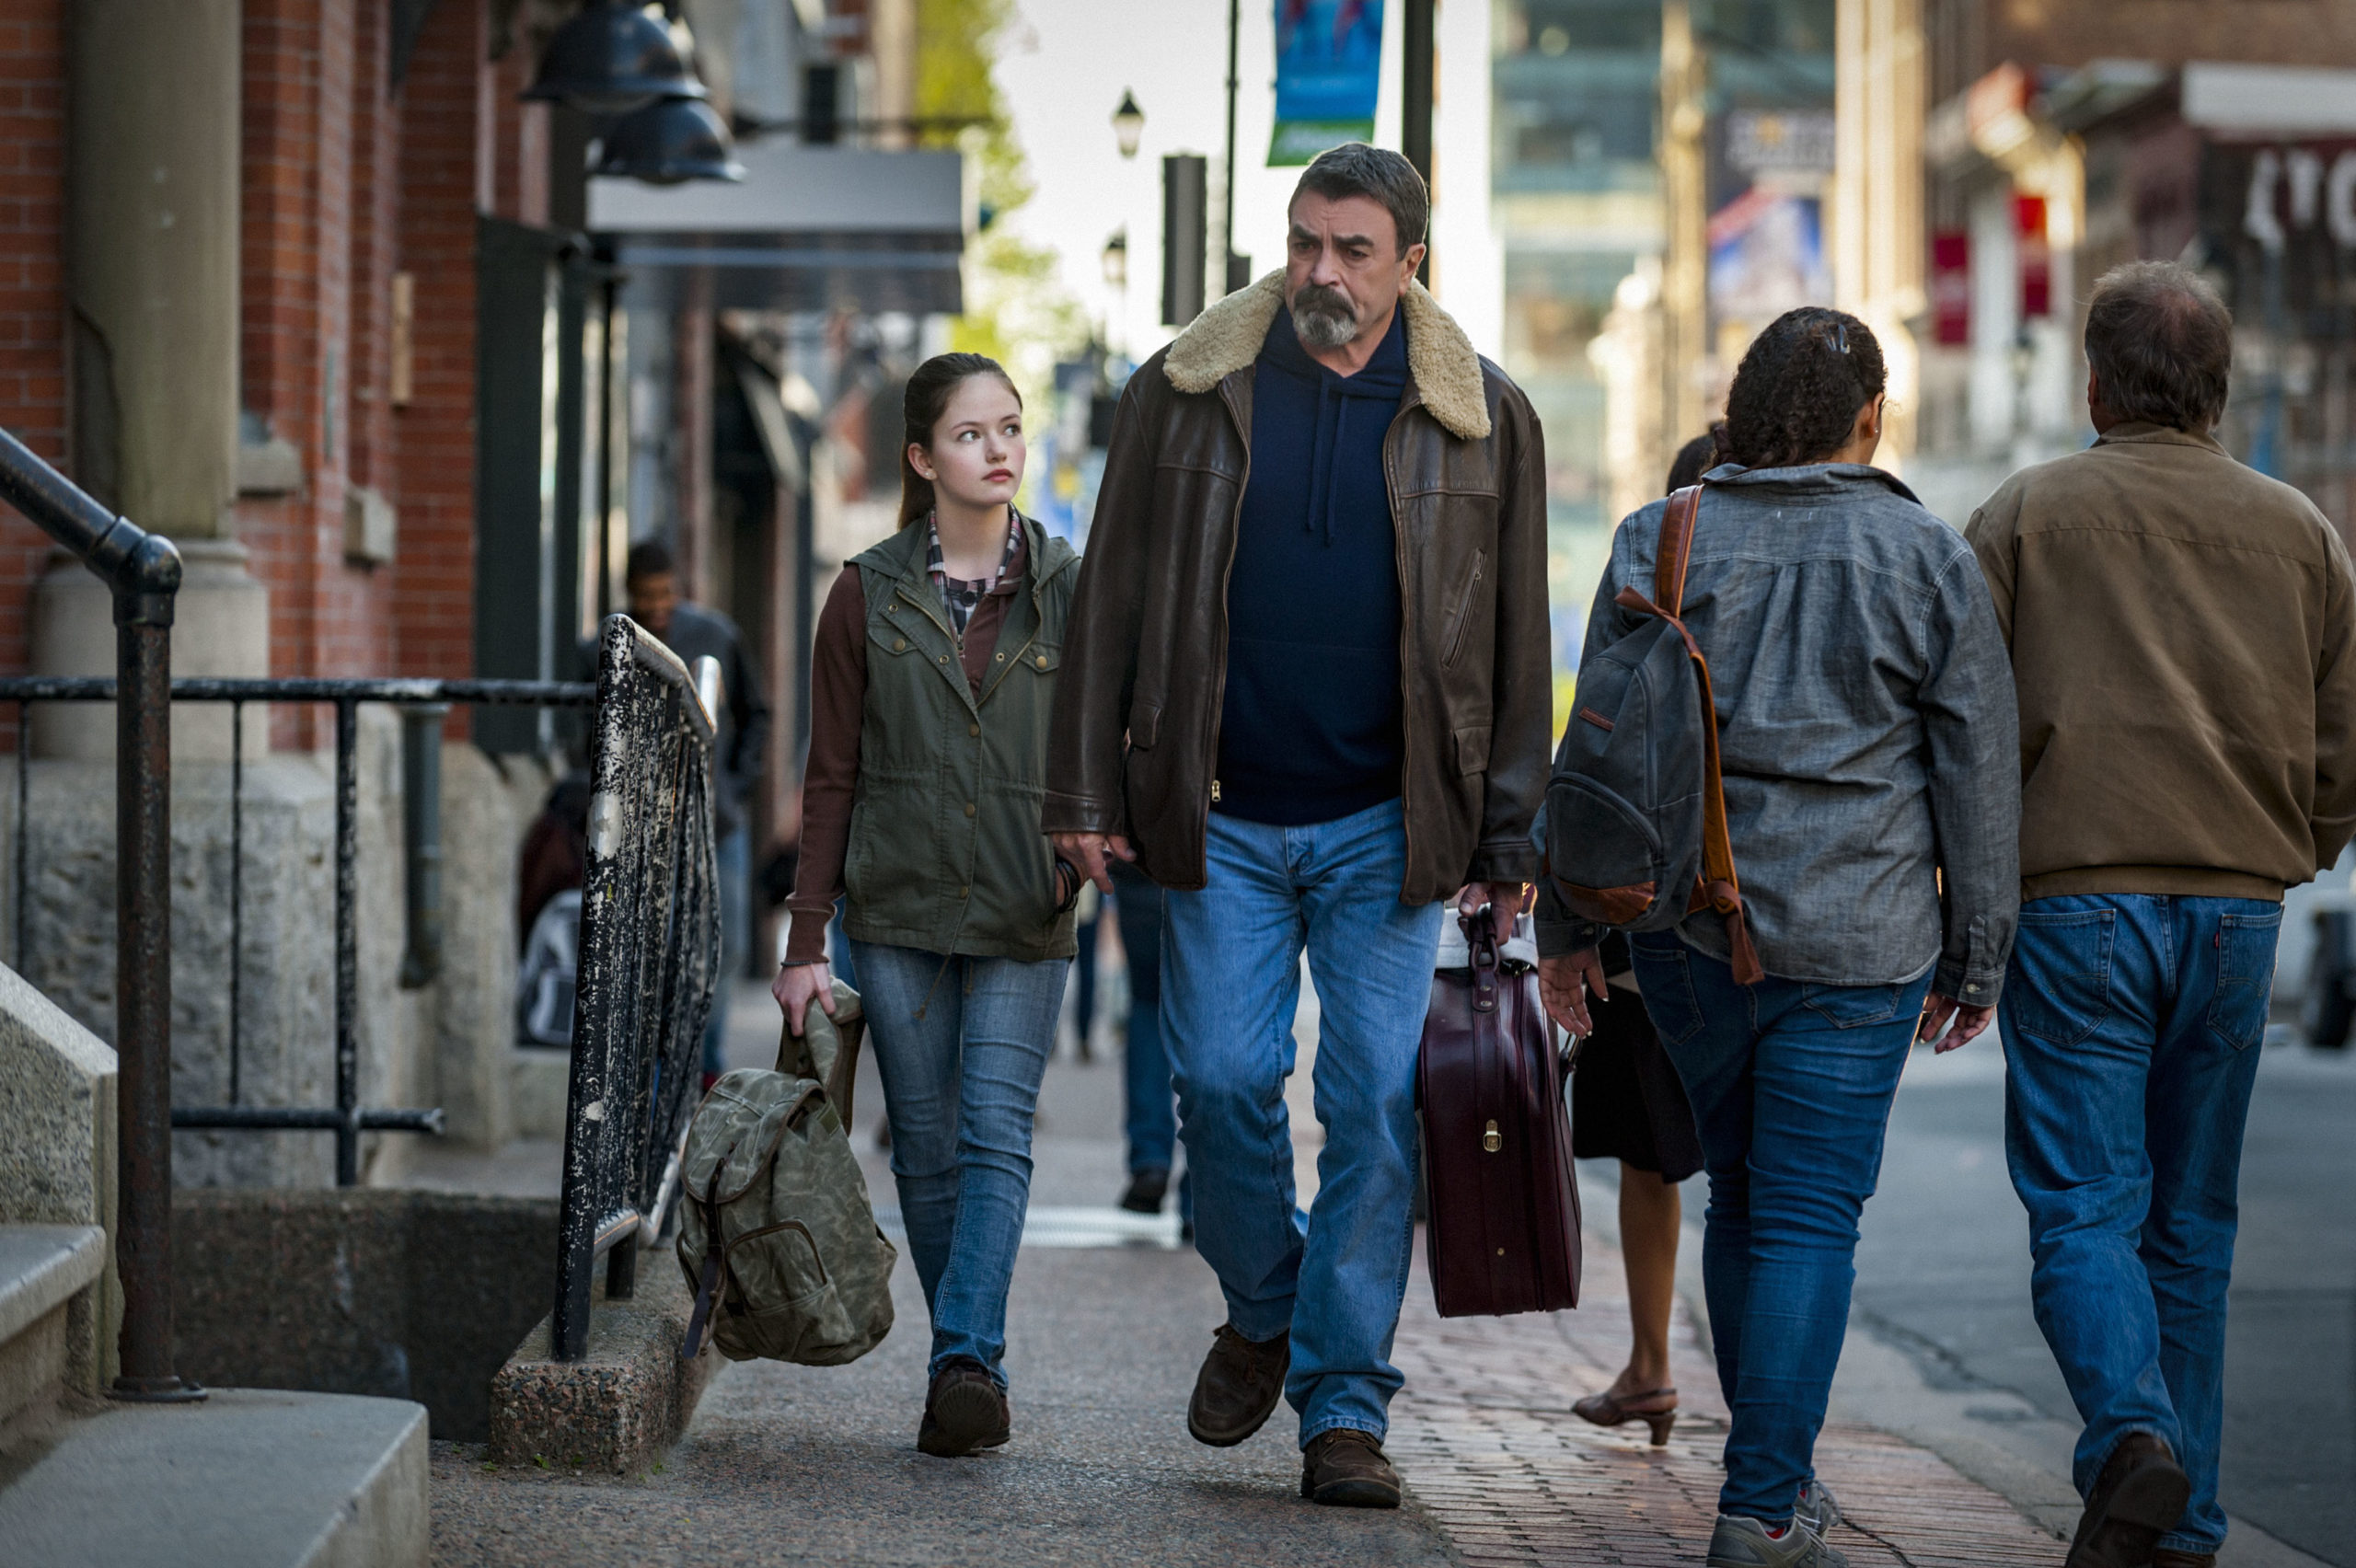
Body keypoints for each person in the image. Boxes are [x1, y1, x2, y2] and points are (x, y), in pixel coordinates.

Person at [1045, 143, 1552, 1509]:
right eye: (1306, 242)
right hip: (1218, 816)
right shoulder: (1184, 393)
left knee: (1378, 1109)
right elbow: (1110, 602)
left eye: (1353, 251)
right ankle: (1266, 1304)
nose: (1321, 272)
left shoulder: (1485, 416)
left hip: (1391, 824)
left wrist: (1509, 844)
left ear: (1412, 266)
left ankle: (1343, 1406)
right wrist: (1084, 794)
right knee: (1217, 1082)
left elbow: (1513, 647)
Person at [1536, 306, 2020, 1568]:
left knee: (1748, 1202)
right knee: (1806, 1216)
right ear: (1871, 422)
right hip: (1862, 944)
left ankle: (1776, 1483)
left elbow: (1596, 757)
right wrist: (1981, 954)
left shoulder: (1662, 532)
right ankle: (1758, 1508)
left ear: (1745, 415)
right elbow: (1975, 774)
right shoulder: (1926, 555)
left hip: (1693, 937)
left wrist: (1569, 931)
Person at [1964, 262, 2356, 1568]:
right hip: (2241, 914)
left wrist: (1975, 903)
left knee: (2085, 1205)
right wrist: (2291, 851)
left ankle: (2132, 1437)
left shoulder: (2026, 514)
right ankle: (2180, 1523)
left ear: (2092, 383)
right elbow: (2343, 745)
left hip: (2078, 904)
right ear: (2220, 391)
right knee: (2192, 1225)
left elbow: (1963, 732)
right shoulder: (2302, 533)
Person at [773, 352, 1081, 1459]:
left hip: (1020, 904)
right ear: (920, 457)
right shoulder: (864, 591)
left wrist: (1083, 840)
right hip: (894, 909)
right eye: (970, 434)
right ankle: (966, 1357)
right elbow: (831, 776)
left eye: (1009, 428)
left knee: (995, 1132)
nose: (999, 450)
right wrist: (805, 941)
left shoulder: (1068, 585)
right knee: (927, 1147)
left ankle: (966, 1361)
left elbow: (1104, 739)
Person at [1567, 429, 1716, 1450]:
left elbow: (1590, 761)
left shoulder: (1645, 574)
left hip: (1644, 921)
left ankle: (1654, 1366)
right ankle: (1745, 1403)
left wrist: (1569, 927)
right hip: (1761, 925)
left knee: (1649, 1162)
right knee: (1760, 1176)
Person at [620, 539, 770, 1087]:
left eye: (665, 594)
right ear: (629, 594)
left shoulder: (718, 635)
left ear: (679, 589)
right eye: (645, 597)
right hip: (644, 825)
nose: (657, 606)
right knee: (657, 949)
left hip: (716, 821)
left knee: (724, 944)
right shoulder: (611, 645)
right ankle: (662, 1071)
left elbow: (758, 714)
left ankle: (706, 1065)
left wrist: (735, 785)